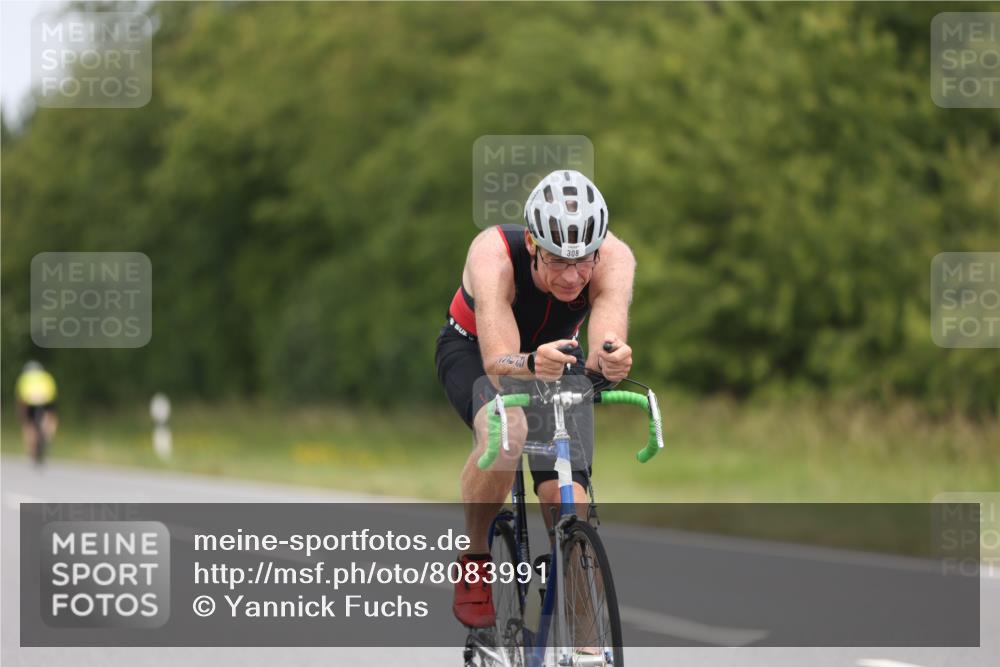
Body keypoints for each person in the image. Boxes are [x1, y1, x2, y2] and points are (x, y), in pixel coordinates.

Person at [435, 169, 635, 628]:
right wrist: (528, 364)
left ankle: (587, 641)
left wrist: (612, 358)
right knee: (509, 431)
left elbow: (607, 334)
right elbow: (498, 361)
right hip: (476, 348)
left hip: (557, 358)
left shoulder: (614, 258)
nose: (572, 276)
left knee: (567, 497)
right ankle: (476, 555)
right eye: (557, 261)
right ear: (531, 243)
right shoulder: (493, 254)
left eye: (583, 261)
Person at [15, 360, 59, 462]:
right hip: (46, 401)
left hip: (30, 402)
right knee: (51, 418)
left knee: (29, 425)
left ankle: (30, 449)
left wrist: (20, 412)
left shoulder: (24, 378)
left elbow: (20, 398)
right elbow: (53, 393)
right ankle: (48, 434)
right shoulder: (46, 376)